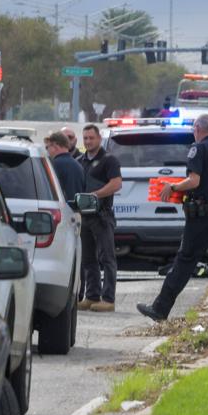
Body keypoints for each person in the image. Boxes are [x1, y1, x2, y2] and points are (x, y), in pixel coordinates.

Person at [137, 114, 208, 322]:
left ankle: (160, 309)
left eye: (193, 129)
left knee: (184, 261)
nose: (193, 132)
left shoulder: (198, 148)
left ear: (198, 128)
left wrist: (173, 186)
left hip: (202, 217)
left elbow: (195, 180)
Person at [77, 124, 122, 313]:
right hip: (84, 217)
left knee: (107, 258)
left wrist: (96, 194)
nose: (88, 141)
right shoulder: (80, 160)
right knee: (88, 259)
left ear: (99, 138)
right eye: (85, 138)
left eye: (91, 138)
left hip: (102, 216)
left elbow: (116, 184)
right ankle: (92, 296)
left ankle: (108, 299)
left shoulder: (109, 160)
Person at [44, 131, 85, 201]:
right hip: (75, 209)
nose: (47, 150)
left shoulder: (54, 165)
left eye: (47, 147)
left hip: (63, 209)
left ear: (55, 146)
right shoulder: (78, 165)